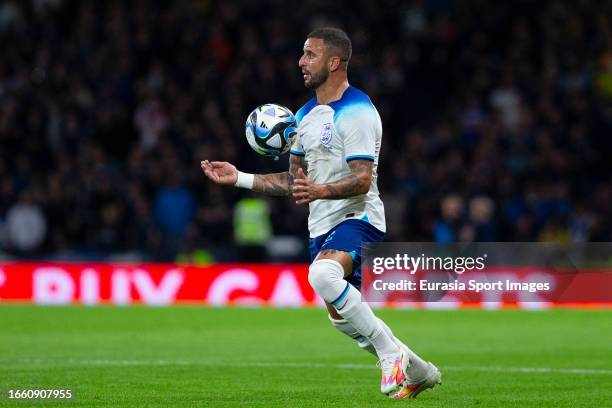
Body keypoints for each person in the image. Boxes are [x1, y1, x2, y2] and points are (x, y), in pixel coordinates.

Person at [201, 27, 441, 399]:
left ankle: (390, 354)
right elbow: (294, 181)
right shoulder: (303, 116)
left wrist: (321, 189)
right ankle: (420, 370)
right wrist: (240, 178)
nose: (301, 61)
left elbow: (362, 180)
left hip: (359, 218)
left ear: (333, 62)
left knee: (322, 274)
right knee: (343, 321)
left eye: (310, 54)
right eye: (302, 54)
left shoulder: (358, 112)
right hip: (321, 227)